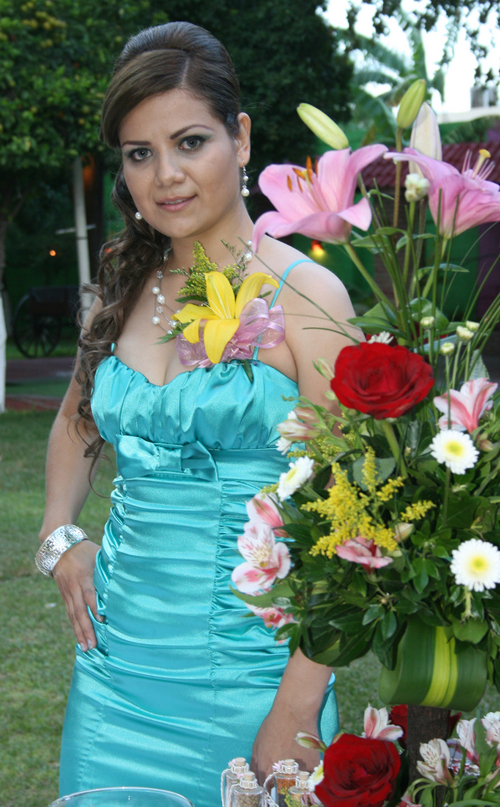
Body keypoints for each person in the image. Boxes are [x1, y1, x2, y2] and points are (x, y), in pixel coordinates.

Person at [37, 21, 357, 807]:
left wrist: (296, 707)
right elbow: (77, 423)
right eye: (139, 153)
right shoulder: (121, 290)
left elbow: (358, 523)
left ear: (239, 137)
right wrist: (59, 536)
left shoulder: (309, 297)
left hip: (255, 680)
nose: (166, 176)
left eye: (189, 142)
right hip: (113, 679)